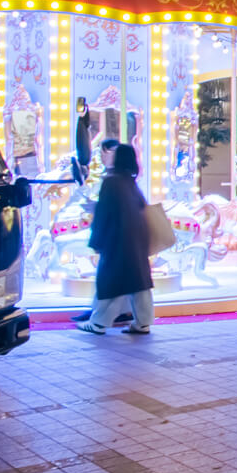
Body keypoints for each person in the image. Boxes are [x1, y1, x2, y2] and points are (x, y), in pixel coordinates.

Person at [77, 144, 153, 335]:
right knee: (139, 282)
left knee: (112, 282)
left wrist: (96, 241)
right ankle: (143, 322)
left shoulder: (111, 181)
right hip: (136, 239)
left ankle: (98, 322)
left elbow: (104, 213)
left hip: (117, 240)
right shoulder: (130, 181)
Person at [71, 138, 133, 325]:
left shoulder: (116, 180)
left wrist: (96, 210)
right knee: (112, 277)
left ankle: (100, 319)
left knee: (111, 277)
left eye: (107, 153)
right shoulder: (116, 178)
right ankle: (102, 313)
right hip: (117, 234)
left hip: (117, 236)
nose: (104, 157)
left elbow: (115, 208)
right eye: (103, 153)